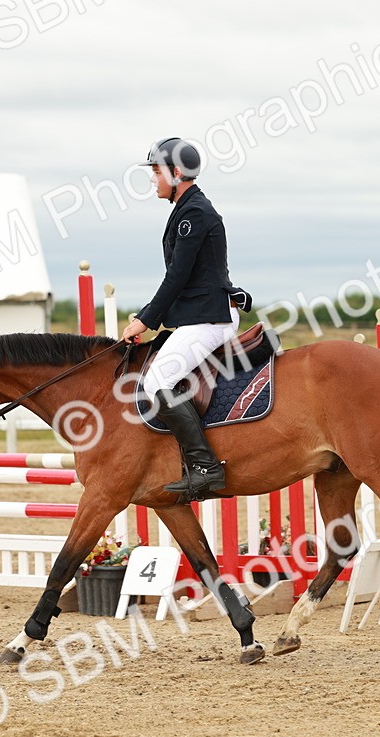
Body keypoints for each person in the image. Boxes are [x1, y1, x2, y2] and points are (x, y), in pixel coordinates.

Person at [121, 137, 250, 501]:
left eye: (156, 171)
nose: (152, 179)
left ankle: (205, 468)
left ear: (176, 173)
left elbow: (177, 277)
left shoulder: (194, 214)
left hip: (208, 319)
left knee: (157, 380)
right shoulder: (186, 209)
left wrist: (145, 321)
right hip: (199, 315)